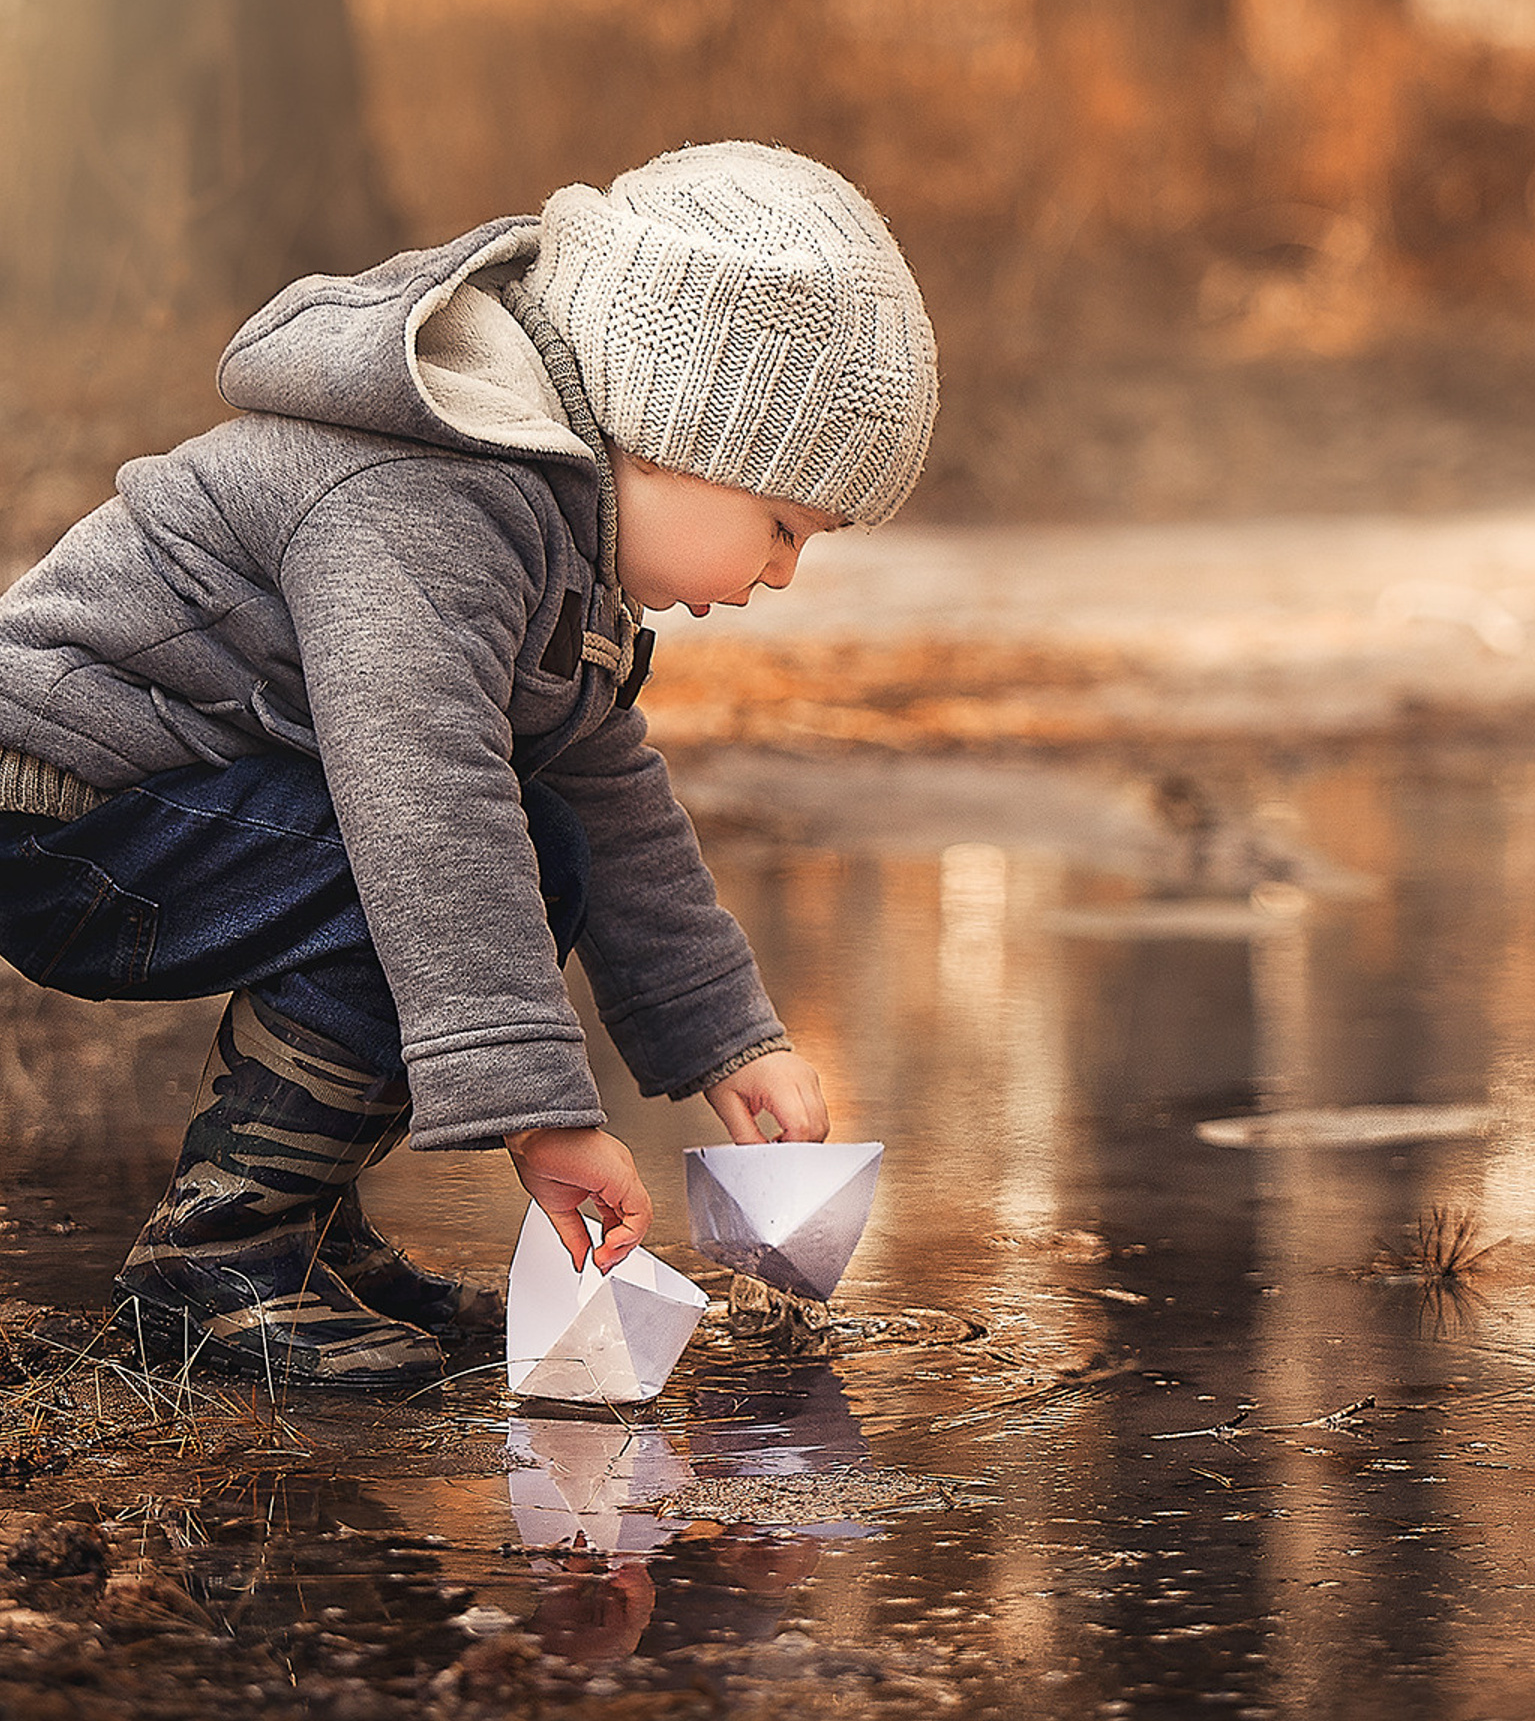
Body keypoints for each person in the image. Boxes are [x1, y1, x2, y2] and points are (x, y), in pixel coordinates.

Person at [0, 141, 938, 1387]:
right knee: (471, 854)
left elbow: (611, 798)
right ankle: (213, 1263)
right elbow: (424, 801)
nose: (780, 576)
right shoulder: (428, 496)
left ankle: (304, 1222)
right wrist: (546, 1115)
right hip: (66, 811)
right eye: (780, 527)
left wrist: (728, 1039)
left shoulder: (557, 531)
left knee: (550, 840)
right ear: (667, 426)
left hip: (191, 805)